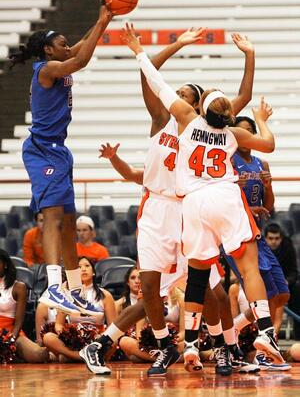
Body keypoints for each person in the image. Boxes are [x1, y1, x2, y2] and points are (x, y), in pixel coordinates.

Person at [81, 28, 256, 377]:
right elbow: (149, 73)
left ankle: (227, 347)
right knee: (149, 286)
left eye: (183, 94)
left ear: (195, 104)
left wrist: (248, 55)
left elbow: (243, 97)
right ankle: (164, 348)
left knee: (213, 293)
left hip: (190, 210)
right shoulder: (161, 121)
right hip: (157, 209)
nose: (174, 94)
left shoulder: (205, 127)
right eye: (174, 91)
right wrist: (175, 44)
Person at [122, 23, 284, 374]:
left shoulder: (185, 120)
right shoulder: (230, 132)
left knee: (199, 280)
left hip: (191, 203)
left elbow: (155, 80)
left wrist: (138, 50)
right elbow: (268, 143)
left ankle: (196, 343)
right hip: (218, 197)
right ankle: (264, 332)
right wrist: (259, 113)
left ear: (196, 105)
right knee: (246, 267)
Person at [9, 0, 113, 315]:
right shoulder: (47, 68)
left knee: (68, 222)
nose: (68, 48)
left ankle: (73, 288)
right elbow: (79, 60)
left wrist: (102, 22)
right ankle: (53, 286)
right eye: (62, 44)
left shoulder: (58, 59)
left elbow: (80, 49)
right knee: (53, 219)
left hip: (59, 150)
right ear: (49, 50)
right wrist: (101, 22)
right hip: (43, 150)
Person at [223, 117, 290, 370]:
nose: (246, 134)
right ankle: (263, 351)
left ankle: (233, 331)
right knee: (269, 294)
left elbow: (269, 205)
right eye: (242, 130)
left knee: (282, 293)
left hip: (258, 236)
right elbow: (226, 206)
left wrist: (268, 185)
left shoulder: (262, 162)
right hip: (239, 236)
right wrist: (237, 192)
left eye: (250, 130)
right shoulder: (227, 162)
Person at [42, 256, 116, 363]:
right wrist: (64, 335)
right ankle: (81, 357)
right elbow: (59, 324)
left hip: (97, 339)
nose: (83, 269)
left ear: (94, 272)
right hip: (74, 340)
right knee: (48, 337)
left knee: (114, 341)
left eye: (87, 266)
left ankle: (72, 357)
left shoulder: (105, 295)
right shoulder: (66, 294)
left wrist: (101, 337)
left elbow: (112, 326)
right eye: (79, 267)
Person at [0, 249, 49, 363]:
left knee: (38, 355)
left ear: (6, 265)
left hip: (10, 332)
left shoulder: (19, 287)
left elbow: (19, 321)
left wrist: (11, 340)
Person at [265, 222, 300, 340]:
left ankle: (298, 334)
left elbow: (294, 271)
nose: (274, 241)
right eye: (270, 238)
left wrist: (287, 281)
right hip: (264, 284)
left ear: (281, 238)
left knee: (297, 289)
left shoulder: (288, 247)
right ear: (265, 238)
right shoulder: (260, 248)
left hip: (284, 285)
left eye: (276, 238)